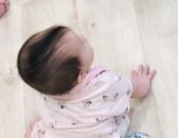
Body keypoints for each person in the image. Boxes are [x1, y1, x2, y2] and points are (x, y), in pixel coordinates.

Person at [17, 25, 155, 138]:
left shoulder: (47, 87)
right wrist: (142, 81)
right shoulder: (104, 84)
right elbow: (137, 90)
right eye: (81, 42)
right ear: (80, 76)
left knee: (37, 126)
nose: (83, 37)